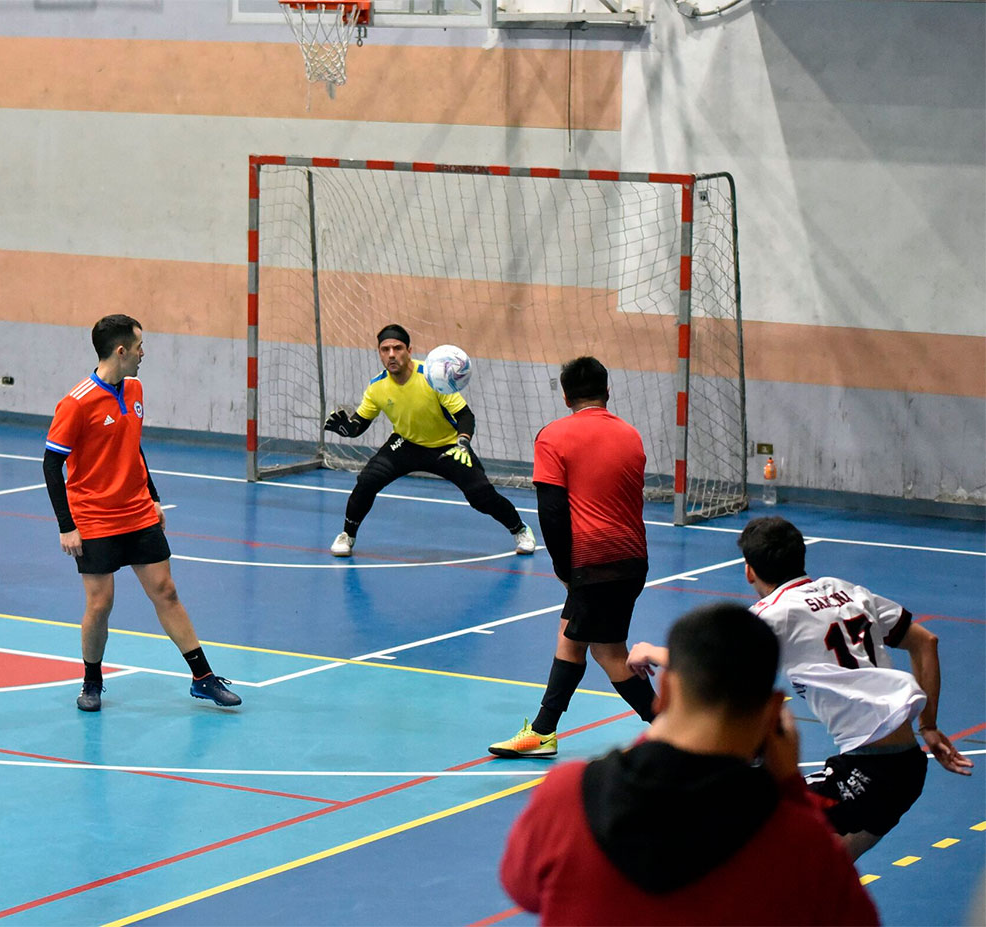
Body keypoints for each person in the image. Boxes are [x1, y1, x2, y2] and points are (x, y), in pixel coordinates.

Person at [500, 603, 879, 926]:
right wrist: (790, 790)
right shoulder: (800, 841)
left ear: (664, 692)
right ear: (773, 712)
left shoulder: (565, 794)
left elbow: (522, 888)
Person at [628, 515, 973, 859]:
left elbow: (709, 663)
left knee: (748, 824)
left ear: (749, 571)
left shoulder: (772, 613)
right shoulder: (848, 591)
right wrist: (928, 726)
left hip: (870, 771)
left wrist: (648, 651)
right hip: (906, 765)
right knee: (824, 871)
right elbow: (926, 642)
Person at [43, 314, 241, 712]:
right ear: (121, 351)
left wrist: (153, 497)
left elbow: (133, 446)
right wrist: (67, 526)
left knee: (166, 591)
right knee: (100, 603)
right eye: (139, 347)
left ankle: (203, 678)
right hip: (94, 517)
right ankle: (92, 681)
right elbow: (51, 465)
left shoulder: (134, 388)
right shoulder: (77, 402)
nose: (143, 353)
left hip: (137, 511)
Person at [489, 356, 656, 757]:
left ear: (565, 397)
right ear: (607, 392)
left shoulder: (553, 436)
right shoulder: (631, 435)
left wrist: (565, 569)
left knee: (609, 653)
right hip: (632, 556)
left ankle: (682, 734)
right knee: (570, 639)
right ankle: (543, 731)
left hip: (594, 563)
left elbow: (551, 511)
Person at [322, 324, 535, 558]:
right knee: (367, 482)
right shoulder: (376, 386)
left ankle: (520, 529)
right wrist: (348, 429)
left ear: (409, 351)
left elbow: (465, 415)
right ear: (380, 353)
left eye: (397, 348)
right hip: (406, 444)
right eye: (385, 349)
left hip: (447, 447)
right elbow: (360, 422)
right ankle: (347, 535)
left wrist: (463, 442)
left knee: (480, 495)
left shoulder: (433, 376)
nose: (391, 355)